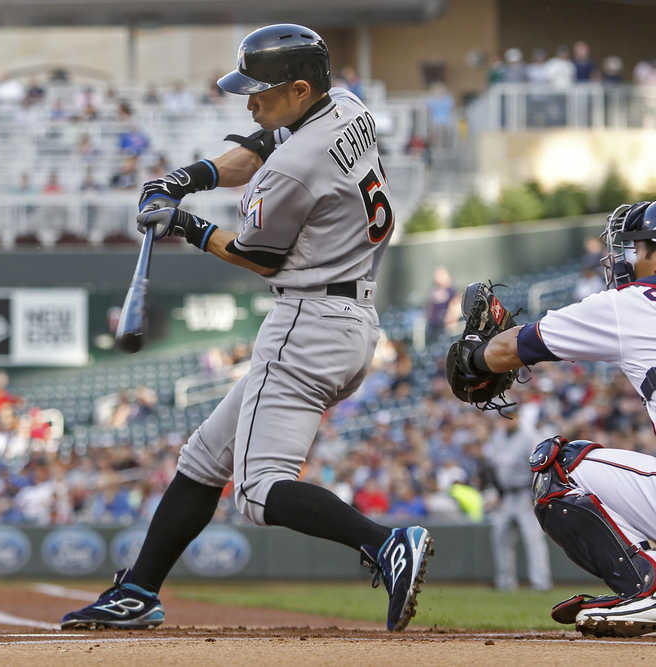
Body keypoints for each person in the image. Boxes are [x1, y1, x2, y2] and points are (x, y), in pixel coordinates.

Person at [60, 24, 432, 633]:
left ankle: (384, 543)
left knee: (259, 493)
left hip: (307, 319)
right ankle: (138, 591)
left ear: (300, 87)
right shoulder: (343, 107)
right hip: (347, 316)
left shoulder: (297, 167)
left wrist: (185, 223)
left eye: (261, 90)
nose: (249, 100)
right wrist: (191, 178)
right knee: (205, 455)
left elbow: (260, 257)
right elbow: (264, 142)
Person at [448, 200, 656, 636]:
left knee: (558, 464)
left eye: (637, 247)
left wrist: (474, 355)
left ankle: (645, 587)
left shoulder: (633, 305)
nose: (631, 258)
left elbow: (510, 350)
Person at [482, 404, 552, 592]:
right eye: (504, 416)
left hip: (525, 494)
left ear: (518, 417)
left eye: (511, 415)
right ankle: (505, 582)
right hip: (505, 496)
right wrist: (495, 493)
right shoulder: (497, 437)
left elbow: (539, 469)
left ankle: (540, 582)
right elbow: (491, 468)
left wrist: (535, 497)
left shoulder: (530, 437)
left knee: (533, 539)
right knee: (500, 537)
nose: (507, 419)